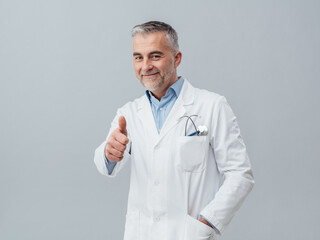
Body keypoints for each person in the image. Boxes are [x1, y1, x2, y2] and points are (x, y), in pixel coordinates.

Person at [94, 21, 254, 240]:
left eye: (155, 56)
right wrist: (109, 153)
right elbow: (106, 166)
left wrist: (207, 222)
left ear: (176, 58)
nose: (145, 66)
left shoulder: (212, 106)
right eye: (138, 57)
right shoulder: (129, 113)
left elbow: (240, 174)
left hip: (189, 235)